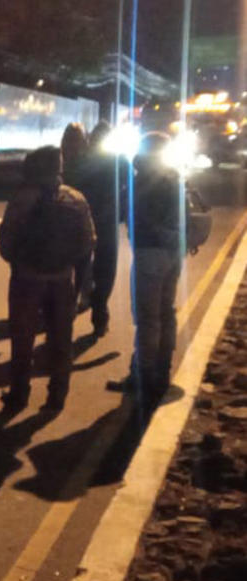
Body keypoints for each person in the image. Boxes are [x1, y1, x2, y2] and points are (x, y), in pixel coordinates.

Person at [0, 146, 96, 412]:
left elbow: (4, 239)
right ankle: (57, 396)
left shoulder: (22, 198)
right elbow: (88, 242)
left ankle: (19, 395)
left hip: (26, 279)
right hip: (62, 279)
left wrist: (19, 261)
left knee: (22, 339)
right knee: (61, 340)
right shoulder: (75, 198)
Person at [107, 132, 189, 415]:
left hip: (149, 254)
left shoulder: (142, 179)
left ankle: (143, 377)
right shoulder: (174, 179)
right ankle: (162, 371)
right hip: (173, 253)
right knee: (166, 312)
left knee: (147, 318)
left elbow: (123, 211)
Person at [83, 121, 125, 337]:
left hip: (82, 221)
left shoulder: (83, 159)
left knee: (80, 267)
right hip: (106, 222)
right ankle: (99, 314)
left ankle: (64, 318)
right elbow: (132, 184)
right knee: (106, 270)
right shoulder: (118, 161)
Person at [61, 122, 92, 309]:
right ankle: (80, 295)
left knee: (74, 260)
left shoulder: (63, 159)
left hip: (69, 214)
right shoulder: (87, 161)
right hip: (76, 214)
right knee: (82, 259)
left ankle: (72, 297)